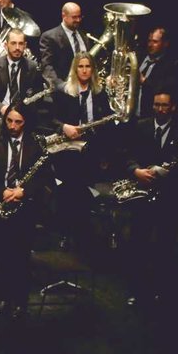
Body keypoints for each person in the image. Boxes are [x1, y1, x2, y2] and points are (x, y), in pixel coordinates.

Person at [0, 103, 51, 318]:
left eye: (17, 122)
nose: (12, 125)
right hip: (0, 205)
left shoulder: (36, 143)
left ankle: (20, 301)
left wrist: (23, 191)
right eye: (9, 121)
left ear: (25, 122)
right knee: (0, 255)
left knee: (21, 257)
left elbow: (43, 177)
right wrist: (1, 192)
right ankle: (2, 298)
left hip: (25, 208)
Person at [122, 88, 178, 306]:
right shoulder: (141, 126)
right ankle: (138, 292)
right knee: (138, 244)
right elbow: (126, 155)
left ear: (173, 107)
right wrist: (136, 171)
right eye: (157, 104)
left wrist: (169, 172)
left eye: (164, 105)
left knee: (165, 246)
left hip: (170, 197)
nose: (160, 109)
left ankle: (163, 292)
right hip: (143, 194)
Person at [48, 53, 114, 249]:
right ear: (75, 69)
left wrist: (105, 155)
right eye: (80, 66)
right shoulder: (64, 91)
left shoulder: (100, 93)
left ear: (92, 70)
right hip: (68, 148)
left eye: (88, 66)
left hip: (91, 149)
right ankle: (68, 231)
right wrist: (64, 127)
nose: (84, 70)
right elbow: (52, 119)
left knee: (84, 190)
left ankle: (81, 231)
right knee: (69, 189)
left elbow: (107, 123)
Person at [0, 29, 46, 117]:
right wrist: (1, 108)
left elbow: (39, 98)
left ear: (25, 46)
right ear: (6, 45)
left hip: (22, 117)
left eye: (20, 44)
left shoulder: (33, 67)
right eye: (13, 43)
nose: (17, 47)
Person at [38, 2, 87, 87]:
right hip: (63, 92)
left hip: (85, 88)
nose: (78, 20)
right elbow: (47, 67)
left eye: (80, 16)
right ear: (64, 16)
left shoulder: (83, 35)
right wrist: (61, 86)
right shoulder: (49, 37)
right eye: (74, 17)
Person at [136, 27, 178, 118]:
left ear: (165, 44)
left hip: (148, 116)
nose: (150, 45)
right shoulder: (138, 57)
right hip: (128, 115)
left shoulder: (171, 65)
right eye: (149, 41)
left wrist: (143, 81)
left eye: (155, 42)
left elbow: (164, 89)